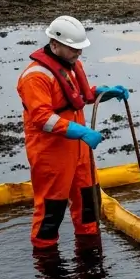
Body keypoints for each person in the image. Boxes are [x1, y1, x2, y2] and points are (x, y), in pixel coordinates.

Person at [16, 16, 129, 250]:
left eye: (79, 48)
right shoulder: (35, 77)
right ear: (54, 44)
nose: (78, 53)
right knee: (51, 209)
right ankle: (46, 260)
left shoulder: (73, 65)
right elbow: (42, 118)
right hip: (50, 152)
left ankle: (89, 250)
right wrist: (79, 131)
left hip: (79, 150)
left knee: (89, 203)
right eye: (73, 48)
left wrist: (104, 92)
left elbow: (80, 97)